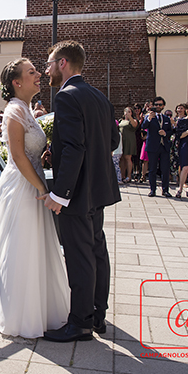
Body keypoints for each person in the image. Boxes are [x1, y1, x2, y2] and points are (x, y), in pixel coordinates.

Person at [0, 58, 70, 339]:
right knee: (22, 247)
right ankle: (22, 314)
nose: (39, 74)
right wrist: (41, 187)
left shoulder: (26, 110)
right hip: (23, 186)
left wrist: (43, 156)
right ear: (17, 83)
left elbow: (30, 150)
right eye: (31, 72)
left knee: (35, 246)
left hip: (33, 181)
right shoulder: (15, 111)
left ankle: (42, 308)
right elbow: (16, 157)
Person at [39, 40, 120, 342]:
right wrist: (56, 151)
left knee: (79, 256)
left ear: (62, 63)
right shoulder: (99, 96)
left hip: (76, 193)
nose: (46, 69)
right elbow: (110, 141)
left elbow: (75, 147)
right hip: (98, 190)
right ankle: (98, 315)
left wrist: (60, 194)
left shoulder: (66, 97)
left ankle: (80, 323)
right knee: (97, 250)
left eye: (48, 63)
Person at [142, 96, 173, 197]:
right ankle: (152, 190)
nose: (158, 106)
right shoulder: (149, 117)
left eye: (160, 105)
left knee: (165, 169)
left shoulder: (166, 118)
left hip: (164, 146)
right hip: (153, 146)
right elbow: (143, 126)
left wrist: (165, 133)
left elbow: (171, 131)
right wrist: (149, 119)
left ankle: (165, 190)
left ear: (163, 106)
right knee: (152, 169)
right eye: (156, 105)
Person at [119, 106, 138, 183]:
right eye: (126, 111)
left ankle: (129, 176)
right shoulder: (121, 120)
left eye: (129, 111)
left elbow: (134, 125)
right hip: (121, 141)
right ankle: (122, 175)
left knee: (127, 158)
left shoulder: (133, 120)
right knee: (122, 158)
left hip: (129, 141)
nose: (127, 113)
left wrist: (130, 117)